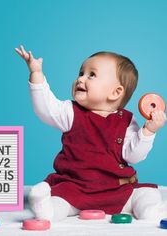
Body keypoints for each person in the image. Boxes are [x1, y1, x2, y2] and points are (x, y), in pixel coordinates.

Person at [15, 45, 167, 222]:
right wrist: (36, 74)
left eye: (91, 75)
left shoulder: (127, 121)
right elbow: (45, 108)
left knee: (146, 193)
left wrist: (148, 131)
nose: (80, 79)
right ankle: (44, 208)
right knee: (60, 201)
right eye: (81, 73)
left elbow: (133, 155)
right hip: (75, 187)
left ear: (115, 92)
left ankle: (150, 210)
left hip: (116, 189)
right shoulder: (70, 112)